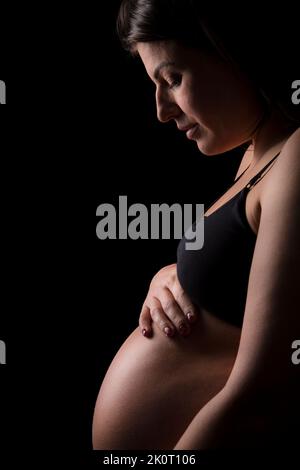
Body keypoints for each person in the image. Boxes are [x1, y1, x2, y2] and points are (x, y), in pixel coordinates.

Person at [93, 0, 300, 450]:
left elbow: (261, 392)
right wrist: (171, 276)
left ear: (232, 52)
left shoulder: (296, 157)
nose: (161, 111)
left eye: (173, 79)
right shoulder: (256, 154)